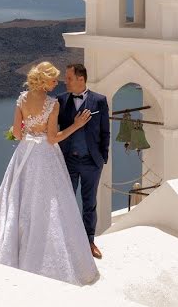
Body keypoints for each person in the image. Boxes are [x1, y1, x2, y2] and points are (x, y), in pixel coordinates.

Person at [0, 61, 98, 286]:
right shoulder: (52, 104)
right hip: (44, 156)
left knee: (16, 200)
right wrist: (76, 125)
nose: (56, 83)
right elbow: (52, 138)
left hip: (23, 155)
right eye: (53, 79)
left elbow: (18, 134)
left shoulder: (21, 99)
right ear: (44, 80)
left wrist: (28, 132)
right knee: (48, 206)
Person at [57, 63, 111, 259]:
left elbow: (105, 132)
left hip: (91, 163)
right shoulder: (61, 101)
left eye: (69, 78)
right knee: (67, 201)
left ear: (81, 79)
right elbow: (55, 131)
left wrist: (102, 157)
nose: (65, 81)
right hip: (68, 162)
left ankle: (89, 242)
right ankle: (67, 241)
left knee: (89, 203)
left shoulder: (99, 101)